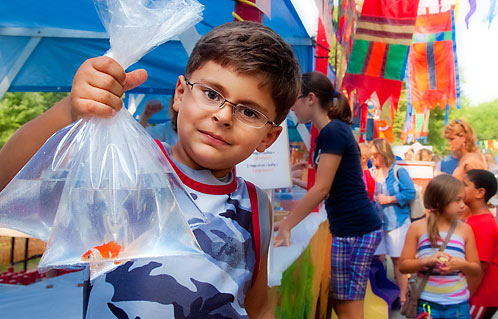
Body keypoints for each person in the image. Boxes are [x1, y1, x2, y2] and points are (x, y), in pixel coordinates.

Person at [0, 21, 301, 318]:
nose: (223, 115)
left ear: (269, 137)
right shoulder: (126, 170)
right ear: (180, 94)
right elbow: (7, 180)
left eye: (249, 111)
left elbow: (259, 306)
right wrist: (70, 110)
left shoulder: (256, 206)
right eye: (211, 94)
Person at [274, 71, 382, 319]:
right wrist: (294, 181)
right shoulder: (332, 132)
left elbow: (321, 188)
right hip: (351, 228)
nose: (292, 108)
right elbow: (330, 187)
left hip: (356, 229)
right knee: (342, 304)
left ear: (310, 98)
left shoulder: (333, 132)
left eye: (294, 100)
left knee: (348, 309)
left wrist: (288, 224)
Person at [399, 174, 482, 319]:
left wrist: (461, 264)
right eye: (457, 200)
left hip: (458, 306)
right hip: (427, 305)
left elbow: (476, 269)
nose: (463, 205)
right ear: (438, 202)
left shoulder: (465, 230)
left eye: (463, 199)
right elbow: (403, 266)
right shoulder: (417, 228)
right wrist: (425, 261)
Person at [370, 138, 416, 307]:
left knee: (398, 260)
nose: (373, 158)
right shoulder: (371, 172)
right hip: (377, 223)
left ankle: (402, 297)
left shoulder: (398, 172)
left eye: (375, 155)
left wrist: (390, 199)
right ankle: (383, 292)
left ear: (384, 154)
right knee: (377, 258)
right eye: (371, 155)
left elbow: (410, 193)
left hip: (397, 221)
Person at [463, 169, 498, 319]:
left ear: (480, 193)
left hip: (480, 296)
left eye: (464, 185)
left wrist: (464, 298)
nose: (459, 188)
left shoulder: (484, 224)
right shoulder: (475, 218)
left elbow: (479, 267)